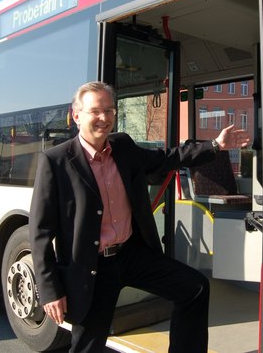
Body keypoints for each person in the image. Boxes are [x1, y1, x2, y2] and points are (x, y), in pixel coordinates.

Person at [29, 81, 250, 353]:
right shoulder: (56, 161)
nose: (104, 118)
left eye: (109, 110)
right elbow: (40, 232)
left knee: (194, 288)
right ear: (77, 116)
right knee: (88, 346)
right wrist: (50, 289)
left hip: (131, 254)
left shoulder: (122, 147)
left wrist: (215, 146)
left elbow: (167, 158)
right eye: (96, 111)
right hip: (92, 266)